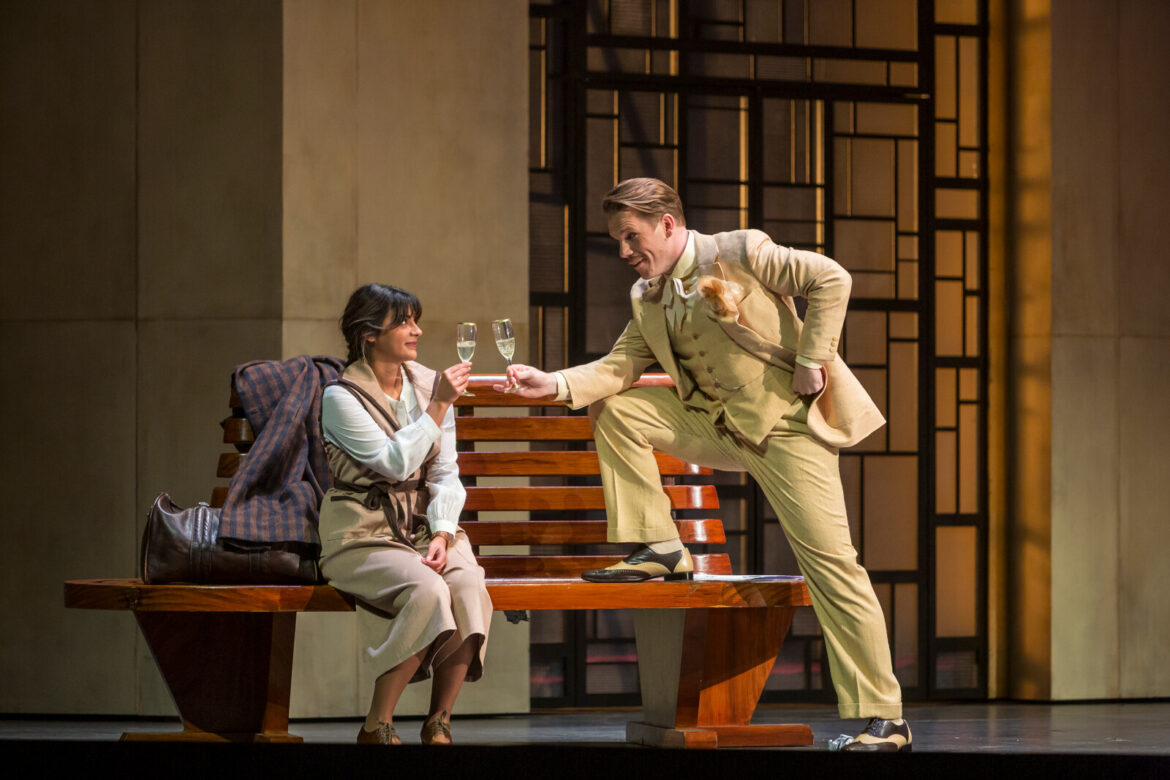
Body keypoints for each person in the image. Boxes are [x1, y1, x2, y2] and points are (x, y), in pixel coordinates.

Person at [496, 178, 910, 752]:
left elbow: (831, 278)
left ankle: (885, 719)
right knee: (618, 408)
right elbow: (621, 365)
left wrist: (812, 360)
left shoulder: (741, 250)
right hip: (716, 428)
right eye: (617, 241)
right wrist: (555, 383)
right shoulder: (647, 295)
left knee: (833, 567)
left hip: (785, 429)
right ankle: (662, 547)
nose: (624, 251)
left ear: (667, 224)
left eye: (631, 237)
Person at [319, 283, 492, 746]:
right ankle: (377, 724)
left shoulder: (427, 382)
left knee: (467, 584)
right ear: (369, 334)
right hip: (361, 533)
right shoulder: (341, 397)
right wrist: (439, 405)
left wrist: (442, 532)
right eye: (403, 322)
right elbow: (394, 463)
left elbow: (445, 470)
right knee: (428, 589)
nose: (417, 330)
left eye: (416, 320)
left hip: (422, 529)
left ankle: (439, 721)